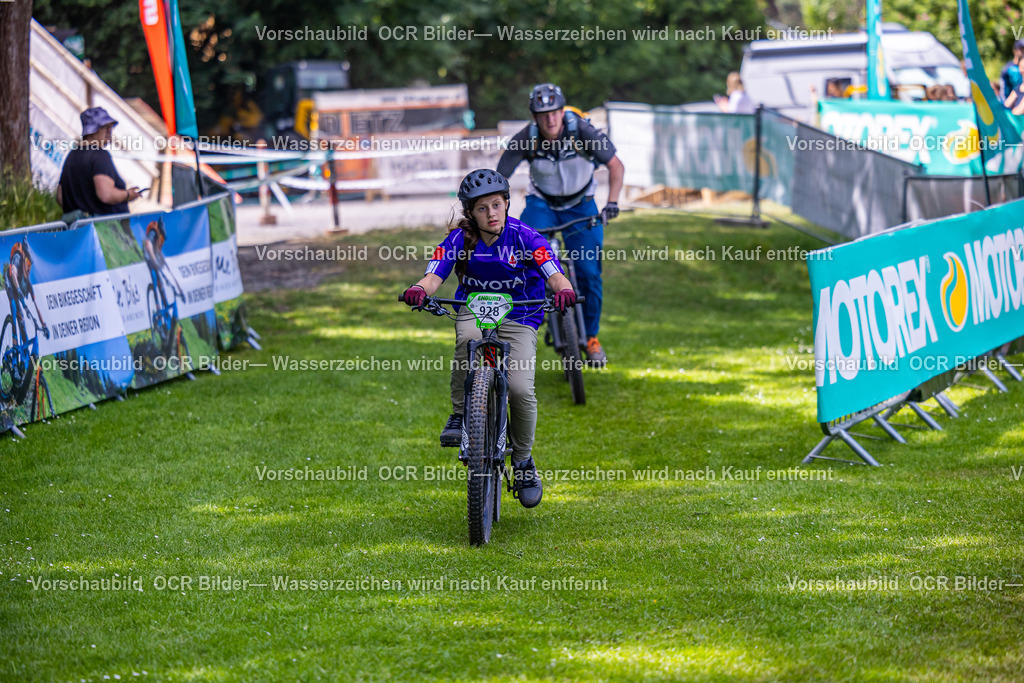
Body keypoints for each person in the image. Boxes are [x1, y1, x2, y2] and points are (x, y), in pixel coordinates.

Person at [402, 169, 577, 508]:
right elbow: (434, 274)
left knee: (520, 388)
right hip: (475, 307)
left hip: (521, 313)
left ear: (507, 204)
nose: (491, 213)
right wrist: (418, 290)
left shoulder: (525, 236)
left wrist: (565, 290)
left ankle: (524, 462)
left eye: (497, 205)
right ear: (471, 213)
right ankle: (459, 414)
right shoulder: (458, 239)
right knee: (467, 340)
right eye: (482, 208)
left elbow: (553, 272)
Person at [497, 83, 623, 365]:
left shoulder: (583, 131)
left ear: (562, 111)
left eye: (554, 113)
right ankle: (527, 322)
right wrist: (496, 210)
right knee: (525, 262)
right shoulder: (526, 138)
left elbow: (616, 165)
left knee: (589, 273)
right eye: (542, 115)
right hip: (542, 205)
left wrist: (612, 202)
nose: (549, 120)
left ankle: (591, 338)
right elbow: (499, 177)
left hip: (581, 205)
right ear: (534, 117)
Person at [56, 107, 142, 221]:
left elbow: (60, 197)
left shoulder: (72, 155)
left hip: (76, 230)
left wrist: (78, 214)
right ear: (91, 130)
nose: (109, 131)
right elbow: (105, 195)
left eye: (111, 127)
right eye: (105, 127)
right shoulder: (100, 155)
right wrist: (127, 195)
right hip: (103, 230)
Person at [3, 239, 49, 382]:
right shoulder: (18, 258)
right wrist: (17, 289)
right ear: (24, 259)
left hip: (19, 289)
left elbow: (36, 306)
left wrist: (44, 325)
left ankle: (24, 360)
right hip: (11, 283)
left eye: (30, 265)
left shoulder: (28, 282)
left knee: (24, 324)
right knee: (16, 309)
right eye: (28, 263)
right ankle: (15, 365)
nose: (29, 268)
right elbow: (14, 272)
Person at [143, 219, 184, 312]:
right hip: (149, 257)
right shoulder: (154, 231)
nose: (161, 240)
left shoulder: (161, 237)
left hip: (154, 256)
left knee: (162, 282)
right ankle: (157, 306)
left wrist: (179, 289)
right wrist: (154, 260)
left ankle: (165, 309)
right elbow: (148, 245)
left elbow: (158, 252)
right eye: (161, 237)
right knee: (155, 279)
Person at [1000, 40, 1024, 106]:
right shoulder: (1008, 68)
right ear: (1014, 50)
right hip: (1013, 105)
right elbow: (1003, 89)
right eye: (1021, 49)